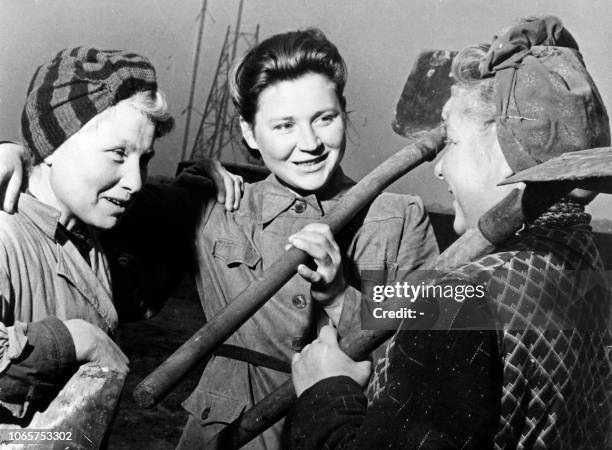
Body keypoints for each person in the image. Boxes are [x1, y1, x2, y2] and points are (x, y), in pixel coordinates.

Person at [288, 16, 612, 449]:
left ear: (507, 152)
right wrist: (338, 296)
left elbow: (456, 312)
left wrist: (326, 393)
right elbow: (448, 313)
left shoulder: (464, 297)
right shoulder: (585, 267)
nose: (438, 166)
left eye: (452, 143)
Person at [176, 28, 439, 449]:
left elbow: (430, 354)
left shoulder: (398, 218)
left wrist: (339, 296)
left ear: (343, 112)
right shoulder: (216, 207)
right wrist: (197, 172)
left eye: (325, 118)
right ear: (248, 133)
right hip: (228, 436)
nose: (311, 143)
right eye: (284, 125)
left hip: (346, 431)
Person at [0, 47, 240, 423]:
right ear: (51, 146)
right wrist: (75, 340)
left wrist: (202, 177)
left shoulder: (90, 228)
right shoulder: (5, 234)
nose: (134, 181)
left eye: (143, 159)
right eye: (117, 154)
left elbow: (170, 202)